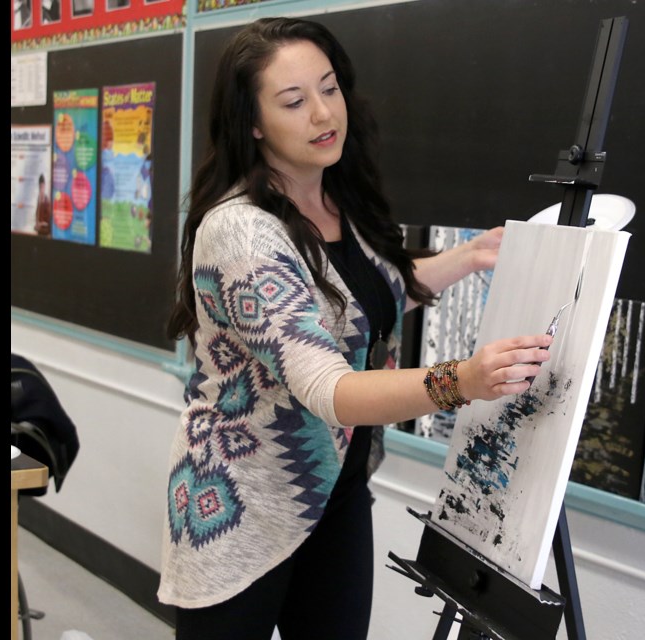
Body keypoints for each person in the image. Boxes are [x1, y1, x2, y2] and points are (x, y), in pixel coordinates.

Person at [157, 17, 553, 640]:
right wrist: (465, 380)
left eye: (329, 89)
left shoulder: (339, 202)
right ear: (253, 122)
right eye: (294, 101)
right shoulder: (243, 232)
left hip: (331, 491)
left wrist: (468, 257)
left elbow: (367, 300)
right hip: (242, 503)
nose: (322, 113)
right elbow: (330, 388)